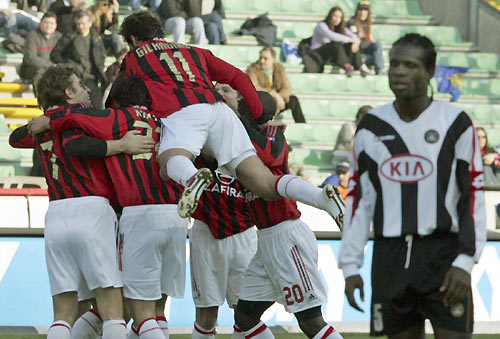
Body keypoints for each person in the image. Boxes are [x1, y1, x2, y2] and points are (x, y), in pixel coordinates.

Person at [118, 11, 345, 226]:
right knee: (264, 183)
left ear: (134, 38)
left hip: (182, 112)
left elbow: (120, 97)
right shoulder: (195, 51)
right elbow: (238, 76)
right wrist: (257, 114)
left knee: (168, 162)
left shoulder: (133, 57)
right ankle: (320, 197)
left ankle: (191, 179)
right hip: (219, 111)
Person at [339, 33, 487, 339]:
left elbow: (471, 197)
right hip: (389, 257)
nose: (399, 71)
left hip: (443, 255)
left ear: (430, 71)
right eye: (394, 64)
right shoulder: (370, 127)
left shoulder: (456, 123)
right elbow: (359, 200)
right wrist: (350, 265)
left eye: (410, 65)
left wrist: (465, 260)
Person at [8, 64, 154, 339]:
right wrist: (121, 145)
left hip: (55, 214)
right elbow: (78, 145)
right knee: (112, 305)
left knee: (63, 313)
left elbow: (16, 138)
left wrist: (48, 119)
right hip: (91, 209)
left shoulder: (42, 126)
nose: (88, 90)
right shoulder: (80, 116)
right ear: (68, 93)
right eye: (81, 85)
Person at [45, 75, 185, 339]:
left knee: (134, 311)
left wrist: (48, 118)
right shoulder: (168, 122)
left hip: (137, 216)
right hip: (175, 216)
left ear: (117, 100)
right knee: (156, 308)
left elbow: (74, 125)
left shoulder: (114, 119)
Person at [233, 91, 344, 339]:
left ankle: (323, 199)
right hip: (264, 240)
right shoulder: (239, 141)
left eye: (241, 104)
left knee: (311, 322)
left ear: (254, 110)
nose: (237, 107)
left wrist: (236, 122)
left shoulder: (273, 135)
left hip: (286, 235)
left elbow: (269, 156)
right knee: (244, 317)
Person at [51, 10, 107, 108]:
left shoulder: (96, 39)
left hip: (92, 79)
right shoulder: (69, 37)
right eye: (78, 24)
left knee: (98, 110)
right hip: (74, 79)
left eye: (83, 24)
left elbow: (102, 55)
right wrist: (68, 64)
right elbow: (54, 55)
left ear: (90, 23)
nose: (80, 26)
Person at [247, 46, 306, 123]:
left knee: (293, 100)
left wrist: (279, 99)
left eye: (265, 58)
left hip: (278, 101)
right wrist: (274, 96)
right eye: (260, 58)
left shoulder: (280, 69)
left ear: (273, 60)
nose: (261, 61)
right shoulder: (252, 69)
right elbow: (255, 88)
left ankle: (301, 124)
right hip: (263, 100)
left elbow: (287, 87)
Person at [311, 6, 370, 75]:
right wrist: (352, 40)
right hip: (318, 53)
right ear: (330, 16)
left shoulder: (340, 27)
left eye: (340, 17)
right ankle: (346, 66)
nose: (337, 19)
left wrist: (355, 42)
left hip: (332, 55)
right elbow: (332, 36)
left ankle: (360, 66)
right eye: (335, 16)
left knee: (350, 44)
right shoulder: (321, 25)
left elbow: (354, 36)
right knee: (336, 44)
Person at [20, 12, 61, 82]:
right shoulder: (32, 36)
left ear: (56, 25)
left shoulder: (60, 37)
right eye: (46, 22)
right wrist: (50, 65)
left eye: (51, 23)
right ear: (40, 23)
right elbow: (30, 58)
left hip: (53, 69)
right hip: (31, 69)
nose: (48, 26)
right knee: (42, 71)